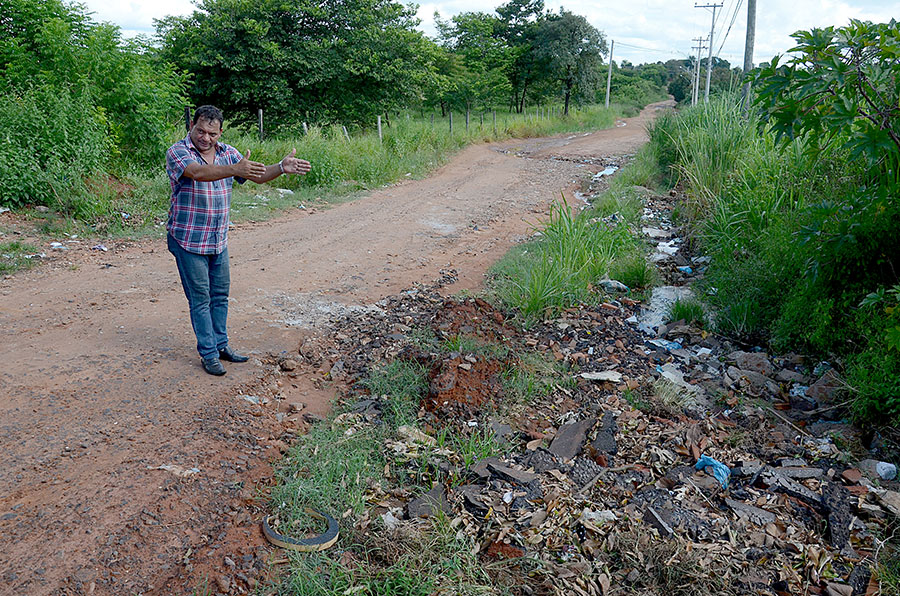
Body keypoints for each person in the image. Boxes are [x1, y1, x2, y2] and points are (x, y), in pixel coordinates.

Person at [166, 105, 311, 376]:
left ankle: (221, 346)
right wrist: (235, 168)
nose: (205, 138)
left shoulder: (227, 152)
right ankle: (208, 353)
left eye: (212, 133)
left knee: (220, 296)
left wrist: (280, 167)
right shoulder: (178, 151)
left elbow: (256, 175)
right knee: (200, 298)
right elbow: (198, 173)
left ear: (220, 132)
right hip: (188, 240)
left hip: (217, 239)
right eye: (200, 130)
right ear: (191, 127)